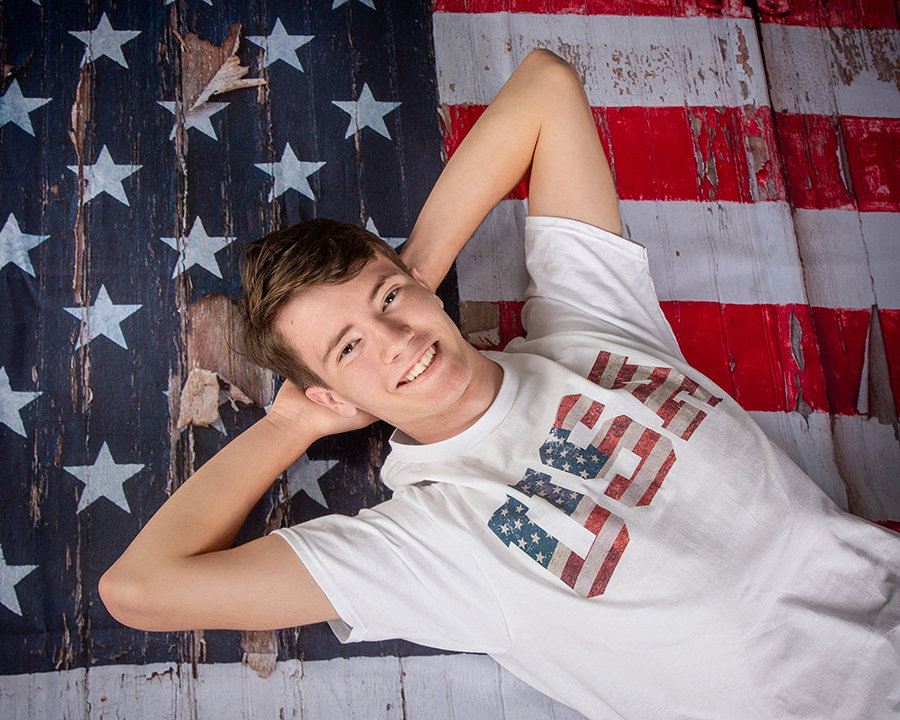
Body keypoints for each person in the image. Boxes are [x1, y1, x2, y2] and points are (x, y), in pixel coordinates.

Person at [100, 49, 900, 719]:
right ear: (333, 398)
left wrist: (414, 267)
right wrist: (286, 429)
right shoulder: (433, 540)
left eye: (388, 301)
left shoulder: (590, 332)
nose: (398, 341)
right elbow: (140, 589)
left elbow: (547, 86)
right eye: (348, 350)